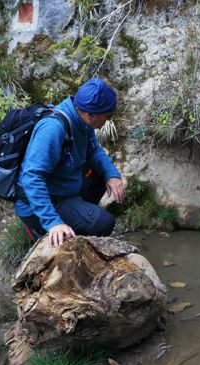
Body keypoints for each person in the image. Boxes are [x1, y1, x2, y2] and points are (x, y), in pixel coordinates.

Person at [14, 78, 126, 247]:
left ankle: (78, 218)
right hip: (41, 203)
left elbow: (94, 151)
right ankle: (42, 229)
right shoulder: (53, 129)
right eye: (108, 116)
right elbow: (32, 177)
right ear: (90, 114)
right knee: (104, 223)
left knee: (100, 174)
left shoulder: (83, 120)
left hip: (63, 190)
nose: (108, 120)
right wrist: (53, 222)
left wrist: (112, 175)